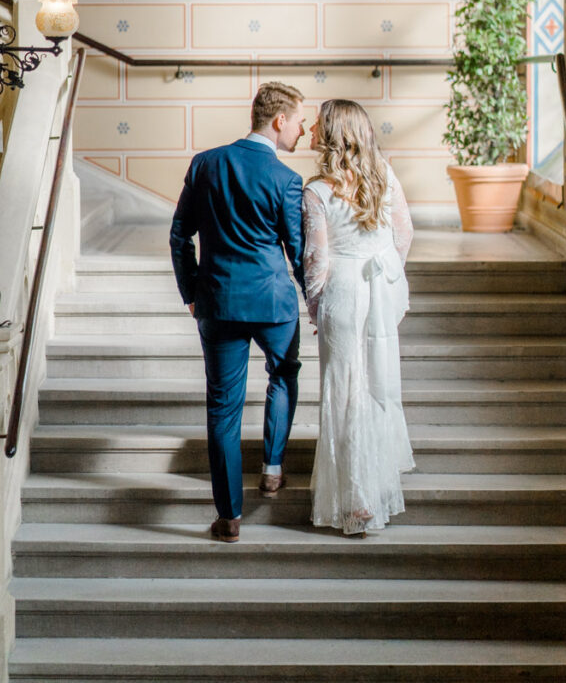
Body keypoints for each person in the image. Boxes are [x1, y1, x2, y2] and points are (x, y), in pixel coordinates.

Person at [170, 82, 307, 543]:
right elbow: (297, 253)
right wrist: (314, 299)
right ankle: (272, 468)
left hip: (219, 301)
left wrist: (191, 290)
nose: (303, 130)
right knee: (283, 375)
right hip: (273, 304)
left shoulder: (206, 163)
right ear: (280, 120)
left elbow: (179, 234)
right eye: (299, 121)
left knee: (223, 408)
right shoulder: (287, 179)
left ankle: (229, 517)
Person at [302, 99, 415, 537]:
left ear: (333, 134)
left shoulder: (317, 191)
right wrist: (389, 280)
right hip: (378, 287)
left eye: (318, 122)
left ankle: (358, 501)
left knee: (345, 393)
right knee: (374, 385)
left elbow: (316, 260)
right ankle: (374, 487)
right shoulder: (384, 175)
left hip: (344, 291)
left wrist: (316, 307)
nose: (311, 128)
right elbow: (404, 233)